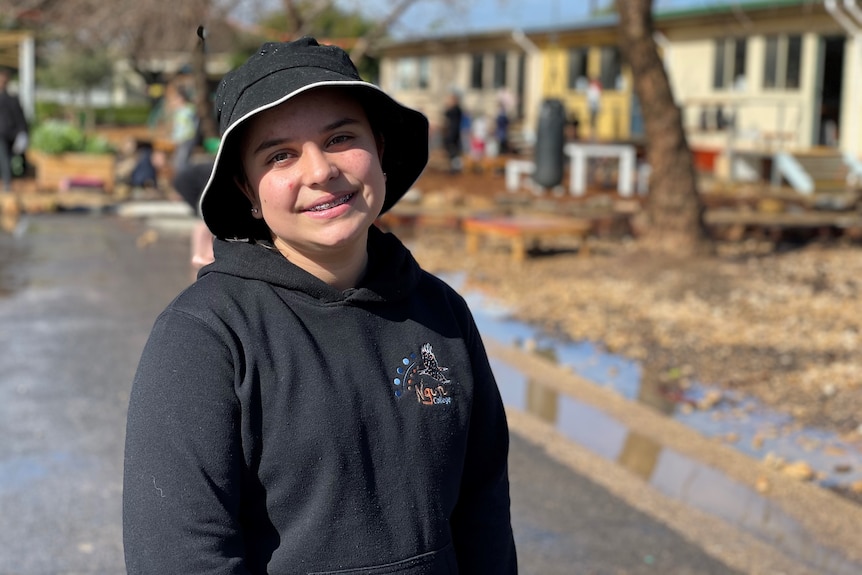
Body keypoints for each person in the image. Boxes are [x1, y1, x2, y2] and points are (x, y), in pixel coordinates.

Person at [122, 36, 517, 574]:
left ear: (379, 149)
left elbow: (483, 509)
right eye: (280, 154)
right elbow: (180, 556)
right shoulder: (204, 336)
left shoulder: (441, 313)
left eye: (340, 138)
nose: (319, 171)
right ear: (247, 190)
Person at [0, 68, 27, 192]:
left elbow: (20, 116)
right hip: (1, 134)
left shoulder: (12, 98)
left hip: (12, 134)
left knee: (11, 159)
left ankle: (12, 181)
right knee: (5, 158)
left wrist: (23, 133)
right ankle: (7, 183)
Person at [167, 84, 198, 171]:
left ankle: (185, 176)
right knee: (179, 160)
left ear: (181, 99)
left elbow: (187, 127)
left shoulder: (188, 110)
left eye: (175, 99)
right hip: (180, 139)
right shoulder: (179, 111)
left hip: (186, 138)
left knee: (182, 161)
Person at [442, 91, 464, 173]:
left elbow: (448, 113)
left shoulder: (456, 110)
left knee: (454, 151)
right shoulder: (455, 110)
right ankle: (454, 167)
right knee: (451, 151)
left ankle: (456, 168)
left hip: (454, 133)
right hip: (452, 133)